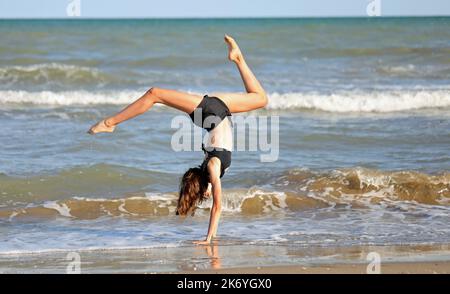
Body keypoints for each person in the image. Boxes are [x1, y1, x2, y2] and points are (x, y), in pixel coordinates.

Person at [88, 35, 268, 244]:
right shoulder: (211, 168)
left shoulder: (212, 166)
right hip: (218, 112)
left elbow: (218, 206)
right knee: (261, 98)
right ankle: (237, 59)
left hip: (215, 113)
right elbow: (214, 193)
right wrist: (208, 190)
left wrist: (208, 238)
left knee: (155, 94)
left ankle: (110, 123)